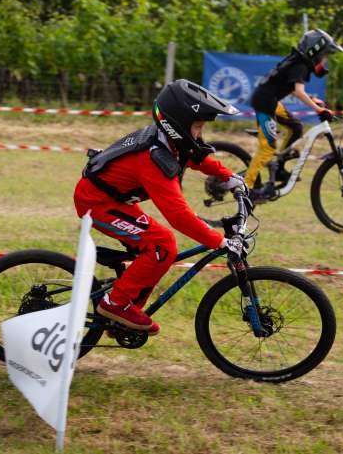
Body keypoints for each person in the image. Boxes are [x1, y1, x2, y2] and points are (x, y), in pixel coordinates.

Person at [73, 79, 248, 336]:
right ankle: (115, 303)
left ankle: (121, 317)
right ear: (179, 124)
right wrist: (219, 241)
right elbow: (178, 215)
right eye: (197, 126)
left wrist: (229, 176)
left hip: (116, 201)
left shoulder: (170, 140)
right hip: (96, 204)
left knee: (157, 250)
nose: (199, 133)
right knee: (162, 243)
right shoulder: (153, 158)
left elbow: (197, 157)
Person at [244, 29, 343, 201]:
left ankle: (279, 167)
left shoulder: (298, 63)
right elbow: (299, 92)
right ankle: (247, 189)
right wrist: (318, 109)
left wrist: (313, 100)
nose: (325, 61)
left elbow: (287, 86)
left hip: (271, 101)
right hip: (264, 104)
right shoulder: (300, 65)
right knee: (268, 148)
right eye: (325, 56)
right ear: (316, 51)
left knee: (296, 127)